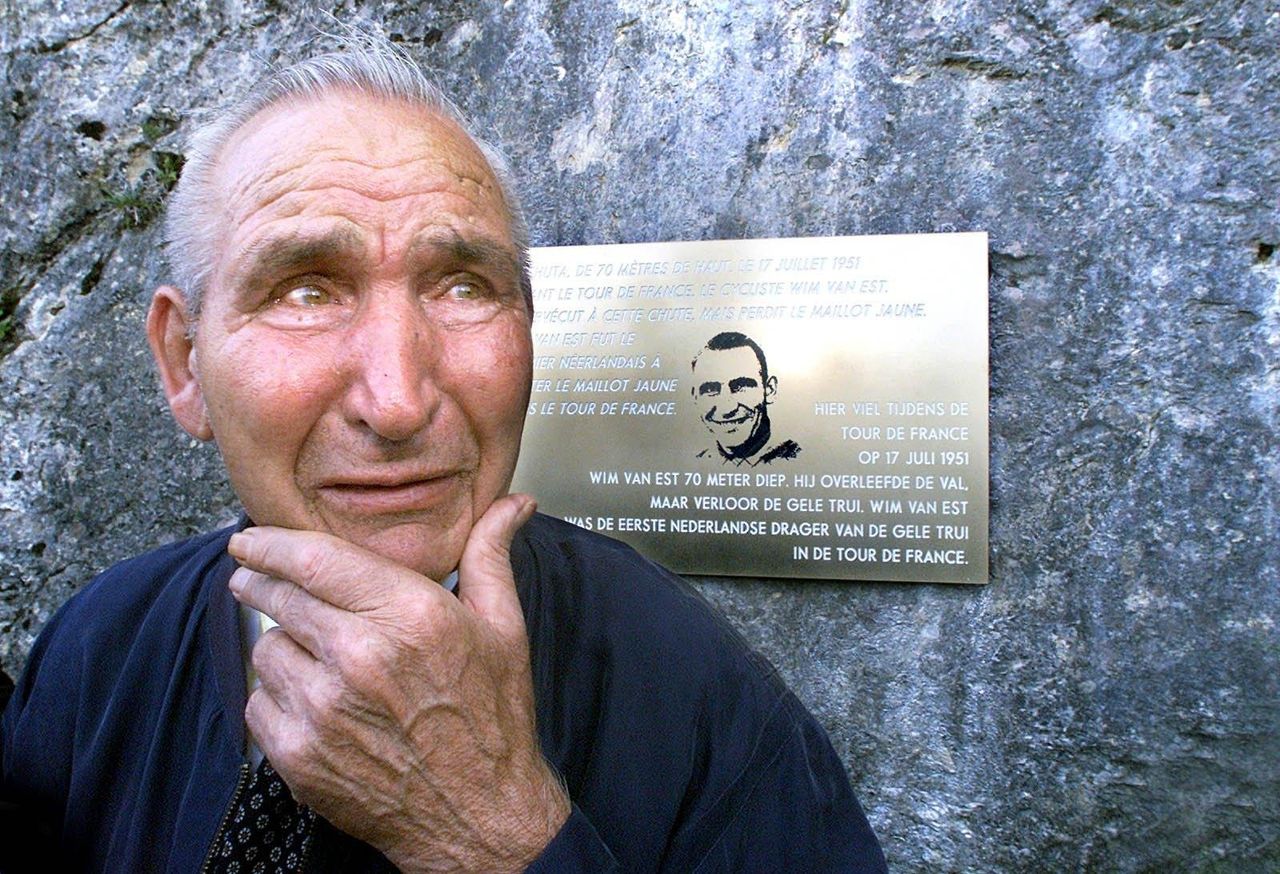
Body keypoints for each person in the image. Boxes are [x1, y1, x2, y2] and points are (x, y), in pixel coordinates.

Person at [0, 33, 884, 873]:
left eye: (464, 286)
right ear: (185, 362)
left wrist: (496, 832)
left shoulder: (700, 698)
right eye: (306, 291)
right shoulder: (99, 646)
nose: (398, 402)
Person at [692, 331, 802, 465]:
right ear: (695, 397)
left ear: (769, 390)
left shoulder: (799, 459)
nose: (726, 409)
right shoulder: (695, 461)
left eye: (740, 386)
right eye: (710, 390)